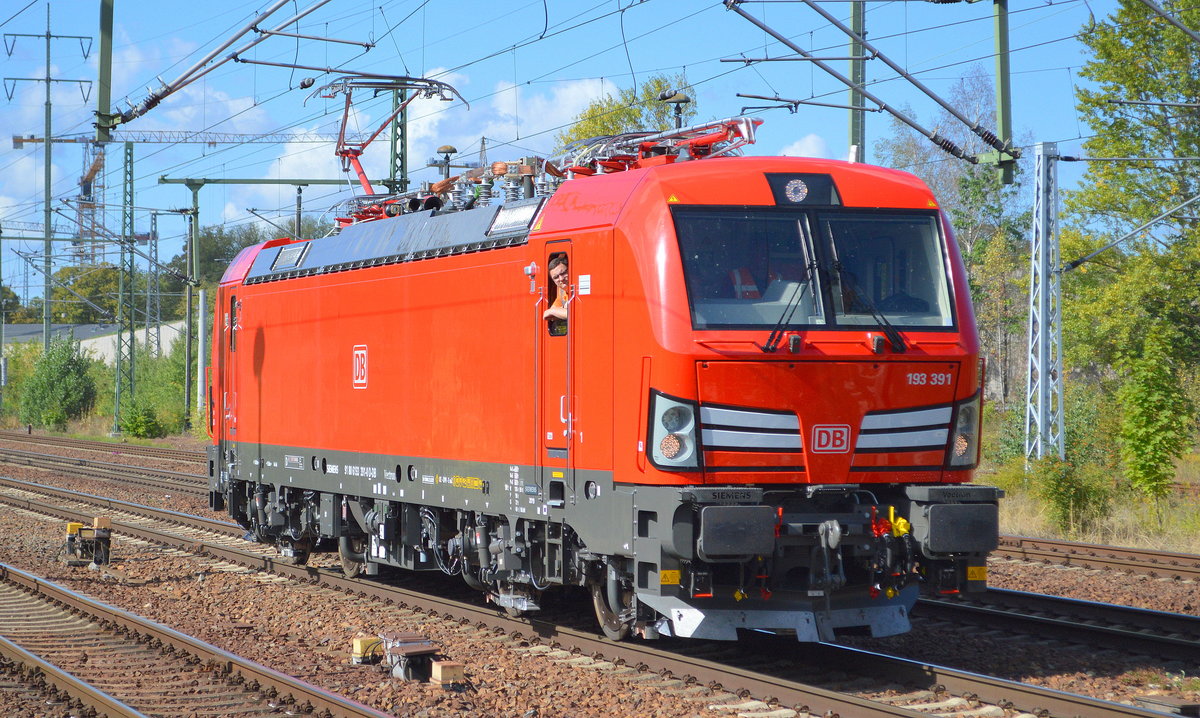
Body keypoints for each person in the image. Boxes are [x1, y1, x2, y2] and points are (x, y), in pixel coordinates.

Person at [543, 255, 570, 321]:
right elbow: (550, 317)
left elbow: (575, 312)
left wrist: (552, 311)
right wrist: (562, 310)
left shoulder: (578, 288)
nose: (561, 279)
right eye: (556, 277)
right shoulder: (562, 292)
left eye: (563, 273)